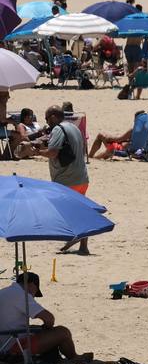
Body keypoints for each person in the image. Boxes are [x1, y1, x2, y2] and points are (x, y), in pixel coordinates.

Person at [0, 272, 91, 364]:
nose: (34, 296)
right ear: (31, 285)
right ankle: (74, 357)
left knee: (38, 329)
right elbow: (49, 318)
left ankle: (65, 357)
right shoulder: (21, 295)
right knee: (63, 332)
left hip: (3, 341)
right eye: (35, 292)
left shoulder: (4, 292)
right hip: (13, 345)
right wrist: (47, 328)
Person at [39, 106, 90, 254]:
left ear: (54, 117)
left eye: (47, 119)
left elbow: (53, 152)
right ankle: (83, 246)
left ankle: (75, 236)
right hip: (81, 177)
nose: (47, 122)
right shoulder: (74, 128)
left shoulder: (58, 129)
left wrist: (37, 151)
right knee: (81, 210)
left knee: (65, 212)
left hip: (67, 179)